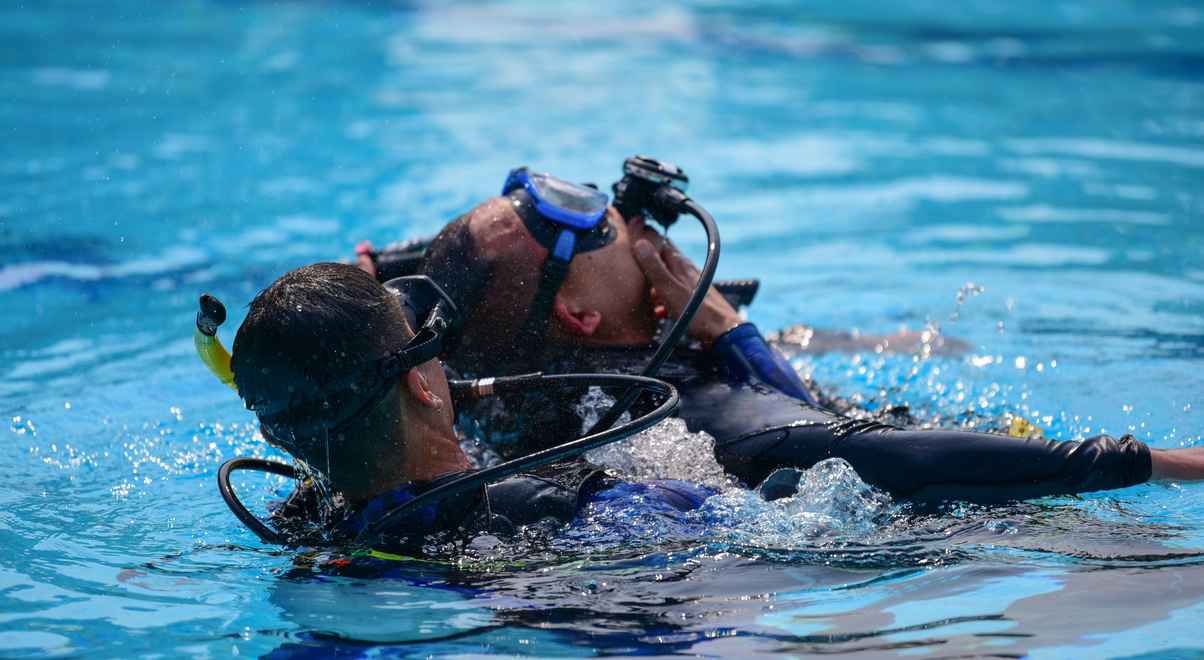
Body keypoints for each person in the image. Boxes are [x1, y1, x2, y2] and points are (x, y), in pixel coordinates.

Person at [353, 172, 1204, 504]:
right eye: (601, 229)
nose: (624, 217)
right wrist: (1159, 463)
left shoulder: (484, 384)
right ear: (579, 318)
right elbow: (867, 451)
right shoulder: (697, 407)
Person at [227, 261, 712, 548]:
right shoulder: (570, 506)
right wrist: (734, 337)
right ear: (420, 383)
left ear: (273, 436)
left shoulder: (308, 528)